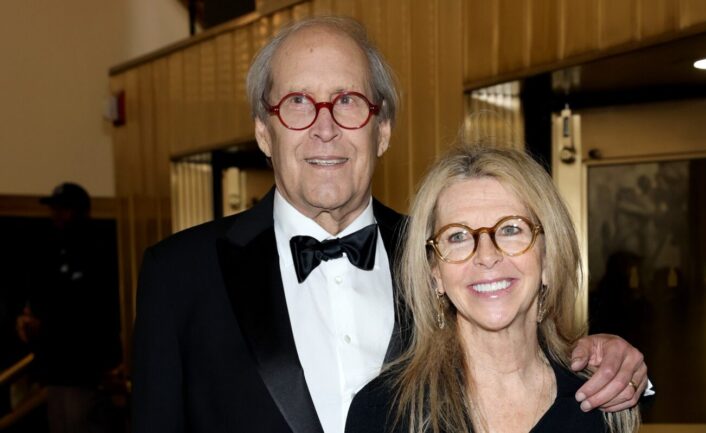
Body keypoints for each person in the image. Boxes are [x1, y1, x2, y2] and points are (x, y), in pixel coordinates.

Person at [131, 16, 647, 433]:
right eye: (297, 104)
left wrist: (613, 360)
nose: (325, 128)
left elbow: (524, 354)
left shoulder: (447, 256)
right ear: (264, 132)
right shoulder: (180, 275)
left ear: (382, 131)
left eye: (348, 101)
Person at [346, 144, 641, 433]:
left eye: (510, 229)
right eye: (458, 236)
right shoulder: (382, 412)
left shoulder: (603, 400)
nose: (486, 256)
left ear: (549, 258)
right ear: (435, 272)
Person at [17, 182, 122, 433]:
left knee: (80, 421)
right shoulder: (54, 252)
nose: (56, 215)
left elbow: (91, 312)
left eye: (63, 209)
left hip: (85, 368)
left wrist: (47, 323)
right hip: (57, 367)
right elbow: (42, 298)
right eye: (55, 209)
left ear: (80, 211)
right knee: (62, 421)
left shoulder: (98, 251)